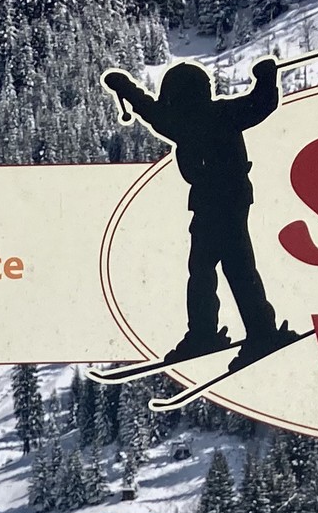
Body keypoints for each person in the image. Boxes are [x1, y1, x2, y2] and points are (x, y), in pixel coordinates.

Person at [103, 58, 303, 371]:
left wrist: (123, 86)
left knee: (207, 269)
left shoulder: (176, 122)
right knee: (233, 266)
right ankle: (255, 331)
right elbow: (261, 104)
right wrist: (265, 76)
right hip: (231, 198)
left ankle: (212, 334)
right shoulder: (222, 113)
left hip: (210, 202)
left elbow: (147, 107)